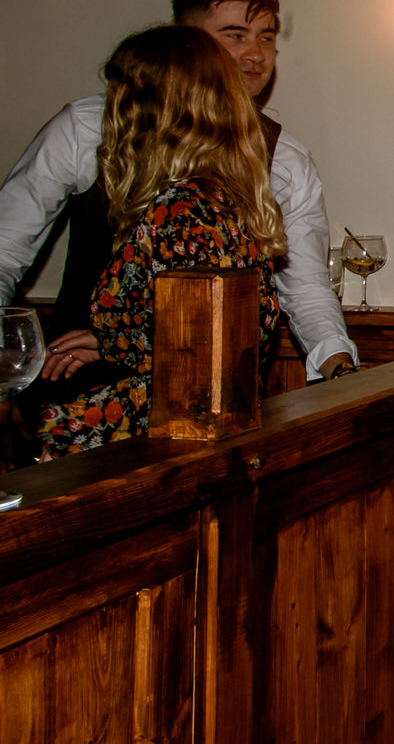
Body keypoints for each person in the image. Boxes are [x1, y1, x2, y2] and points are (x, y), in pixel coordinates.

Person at [0, 0, 357, 390]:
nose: (256, 54)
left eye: (266, 37)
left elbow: (305, 286)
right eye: (235, 35)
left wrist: (340, 369)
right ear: (184, 40)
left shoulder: (284, 156)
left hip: (219, 392)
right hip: (84, 389)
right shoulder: (89, 126)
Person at [38, 24, 284, 455]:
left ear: (142, 108)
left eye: (118, 91)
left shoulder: (181, 209)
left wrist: (60, 427)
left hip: (169, 446)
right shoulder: (212, 197)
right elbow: (205, 328)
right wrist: (115, 342)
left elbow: (202, 377)